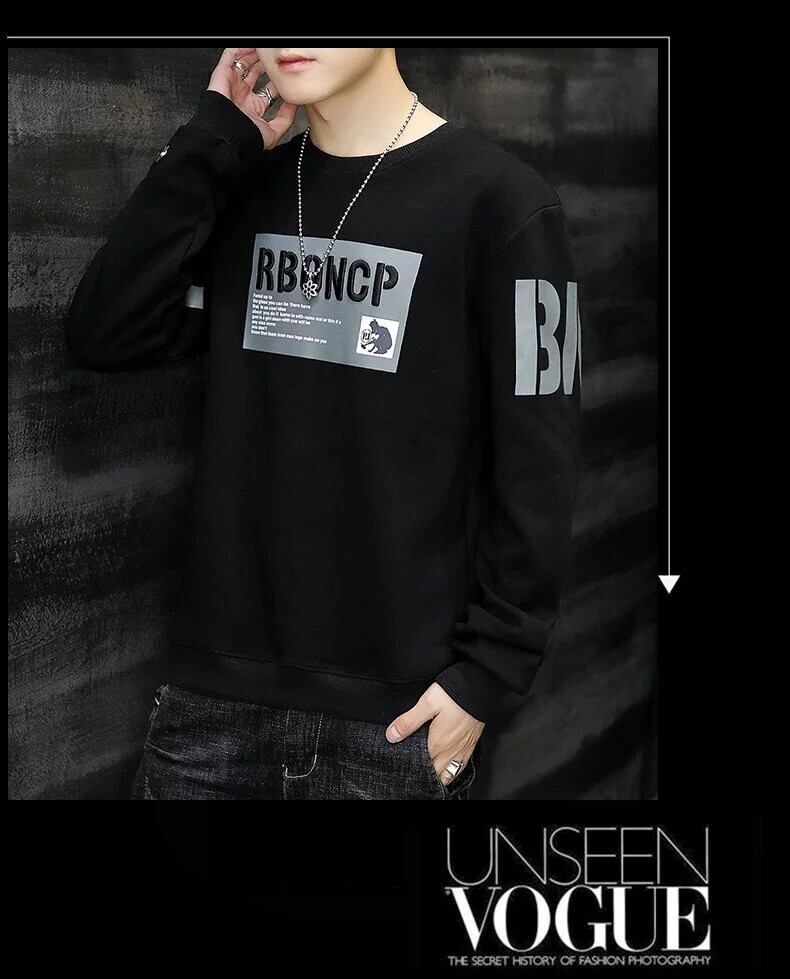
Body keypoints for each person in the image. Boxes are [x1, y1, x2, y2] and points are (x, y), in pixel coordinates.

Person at [65, 47, 583, 800]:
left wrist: (486, 677)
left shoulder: (503, 205)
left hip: (397, 724)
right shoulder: (244, 188)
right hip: (211, 711)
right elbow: (107, 331)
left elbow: (541, 468)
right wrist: (213, 138)